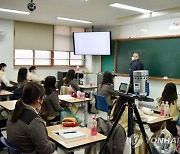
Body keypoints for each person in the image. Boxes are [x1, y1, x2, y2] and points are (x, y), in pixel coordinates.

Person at [6, 82, 56, 154]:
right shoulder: (35, 121)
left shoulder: (14, 112)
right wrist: (55, 144)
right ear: (39, 99)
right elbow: (45, 150)